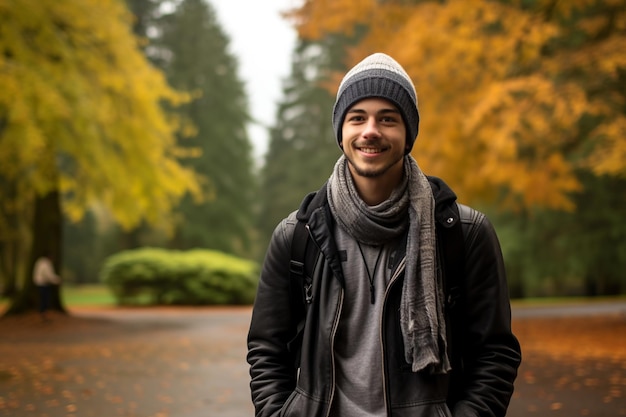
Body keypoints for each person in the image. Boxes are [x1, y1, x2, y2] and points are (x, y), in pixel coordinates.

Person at [247, 52, 521, 417]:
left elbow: (495, 352)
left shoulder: (464, 235)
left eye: (388, 119)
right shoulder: (298, 235)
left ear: (408, 134)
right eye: (357, 118)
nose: (370, 130)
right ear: (341, 133)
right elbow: (266, 348)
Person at [33, 253, 61, 320]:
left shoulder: (39, 262)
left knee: (44, 299)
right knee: (44, 299)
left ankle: (43, 313)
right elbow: (48, 275)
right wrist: (57, 280)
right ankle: (43, 314)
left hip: (40, 283)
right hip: (43, 284)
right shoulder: (46, 263)